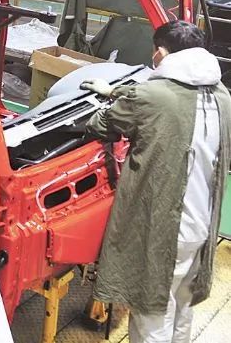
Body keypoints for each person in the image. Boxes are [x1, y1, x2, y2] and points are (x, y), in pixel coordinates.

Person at [82, 21, 230, 343]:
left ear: (160, 53)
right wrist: (118, 92)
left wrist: (108, 102)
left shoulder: (151, 96)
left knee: (151, 314)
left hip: (165, 229)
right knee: (182, 307)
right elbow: (167, 102)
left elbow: (102, 124)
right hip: (203, 224)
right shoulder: (222, 95)